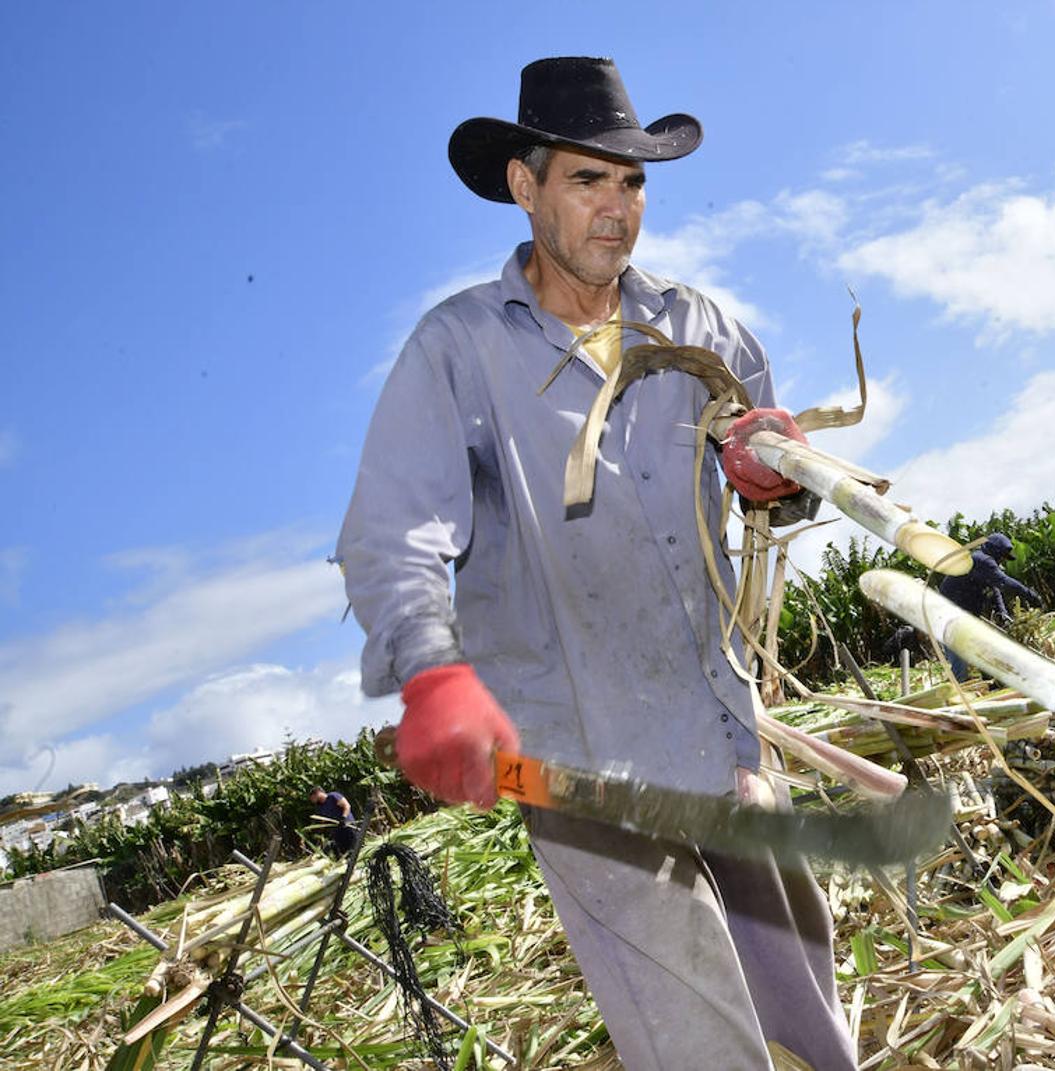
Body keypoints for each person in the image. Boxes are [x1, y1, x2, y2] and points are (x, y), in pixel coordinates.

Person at [337, 57, 854, 1071]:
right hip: (582, 765)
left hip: (721, 733)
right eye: (589, 180)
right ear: (524, 185)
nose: (619, 210)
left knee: (806, 1010)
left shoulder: (700, 329)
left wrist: (773, 475)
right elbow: (390, 533)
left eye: (635, 183)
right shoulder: (461, 353)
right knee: (697, 1037)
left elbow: (771, 482)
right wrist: (430, 671)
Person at [936, 532, 1041, 680]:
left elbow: (996, 592)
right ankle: (955, 697)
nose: (1001, 562)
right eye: (1002, 557)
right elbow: (1004, 583)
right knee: (960, 666)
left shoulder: (984, 566)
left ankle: (991, 685)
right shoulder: (981, 560)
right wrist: (1031, 596)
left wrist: (1003, 614)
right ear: (995, 551)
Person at [308, 787, 358, 858]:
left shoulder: (333, 796)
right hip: (336, 830)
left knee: (354, 846)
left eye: (312, 798)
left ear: (317, 794)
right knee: (344, 850)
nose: (312, 800)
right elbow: (323, 820)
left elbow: (347, 806)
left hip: (347, 825)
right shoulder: (320, 806)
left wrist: (343, 818)